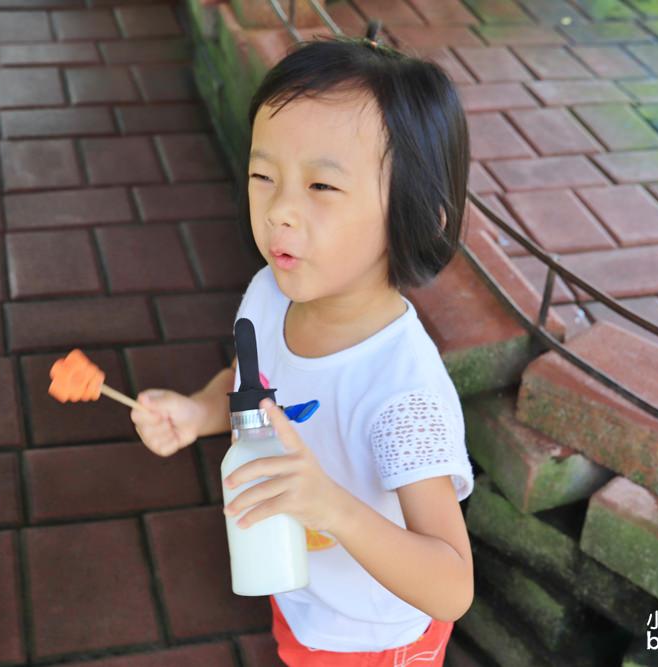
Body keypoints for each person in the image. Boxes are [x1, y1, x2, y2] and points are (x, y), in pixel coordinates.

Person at [132, 23, 473, 666]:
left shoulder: (402, 394)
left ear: (415, 213)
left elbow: (452, 584)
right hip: (304, 599)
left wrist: (330, 507)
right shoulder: (270, 293)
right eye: (264, 176)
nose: (280, 210)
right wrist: (199, 413)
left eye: (321, 187)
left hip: (376, 639)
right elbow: (250, 379)